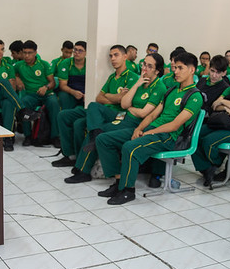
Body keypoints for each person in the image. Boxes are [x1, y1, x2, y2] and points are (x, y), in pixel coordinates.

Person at [96, 51, 202, 205]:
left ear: (192, 70)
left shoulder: (194, 96)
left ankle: (127, 191)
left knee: (129, 148)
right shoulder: (171, 91)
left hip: (168, 137)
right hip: (152, 130)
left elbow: (175, 125)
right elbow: (152, 116)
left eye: (180, 68)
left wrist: (149, 132)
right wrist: (138, 129)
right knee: (103, 139)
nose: (175, 71)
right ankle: (118, 183)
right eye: (175, 67)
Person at [64, 51, 167, 183]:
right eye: (143, 64)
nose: (144, 68)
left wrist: (131, 108)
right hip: (125, 117)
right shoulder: (140, 83)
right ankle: (82, 169)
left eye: (149, 66)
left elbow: (143, 113)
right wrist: (136, 85)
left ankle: (86, 170)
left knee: (100, 135)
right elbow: (124, 104)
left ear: (157, 71)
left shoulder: (159, 87)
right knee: (95, 123)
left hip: (136, 124)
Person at [15, 40, 61, 146]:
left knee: (54, 103)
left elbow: (53, 83)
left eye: (29, 53)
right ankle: (28, 136)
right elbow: (13, 75)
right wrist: (17, 79)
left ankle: (55, 136)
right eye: (24, 53)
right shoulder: (18, 65)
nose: (26, 56)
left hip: (47, 93)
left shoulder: (43, 64)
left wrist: (46, 87)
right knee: (23, 104)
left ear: (35, 53)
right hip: (31, 95)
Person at [56, 40, 86, 110]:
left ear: (86, 53)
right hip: (69, 90)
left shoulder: (90, 64)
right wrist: (73, 92)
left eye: (80, 51)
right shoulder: (65, 63)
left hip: (84, 91)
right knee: (63, 96)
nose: (77, 53)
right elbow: (62, 85)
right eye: (75, 50)